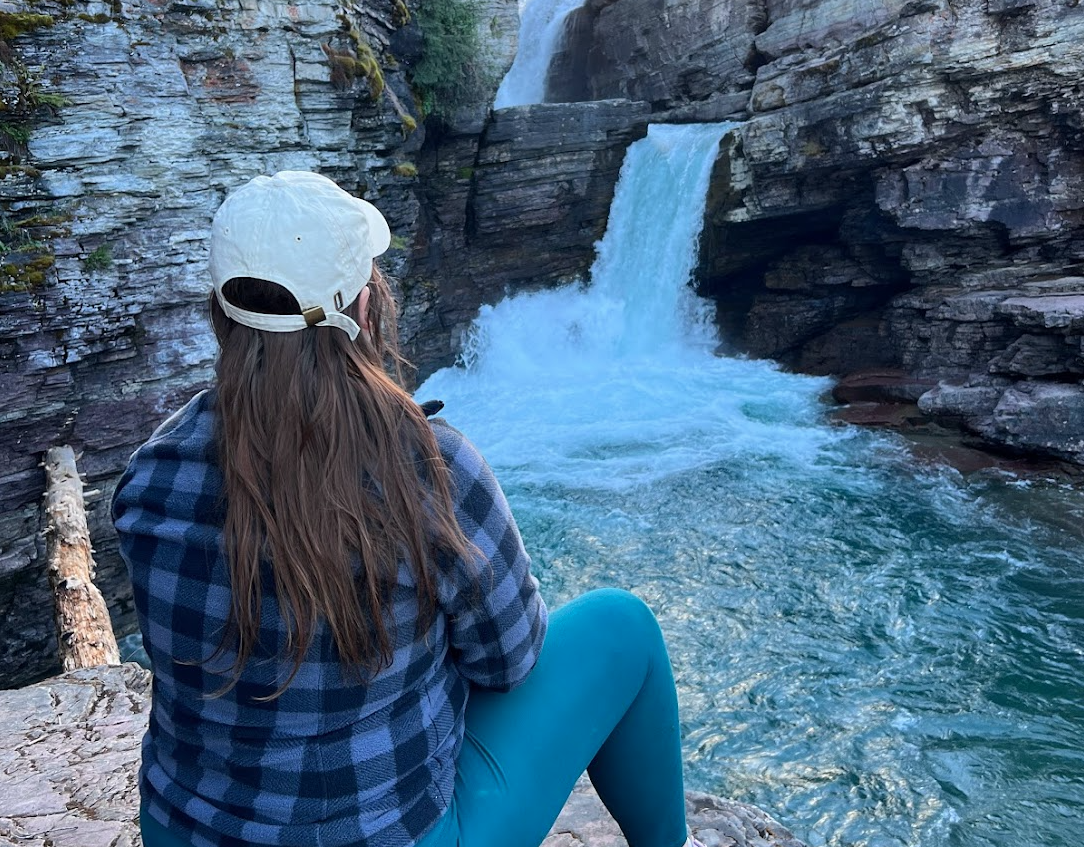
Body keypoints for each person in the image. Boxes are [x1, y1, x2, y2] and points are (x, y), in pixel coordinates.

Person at [113, 169, 702, 847]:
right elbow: (509, 662)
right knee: (621, 627)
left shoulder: (151, 475)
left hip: (184, 833)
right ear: (364, 311)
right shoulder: (428, 469)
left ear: (220, 313)